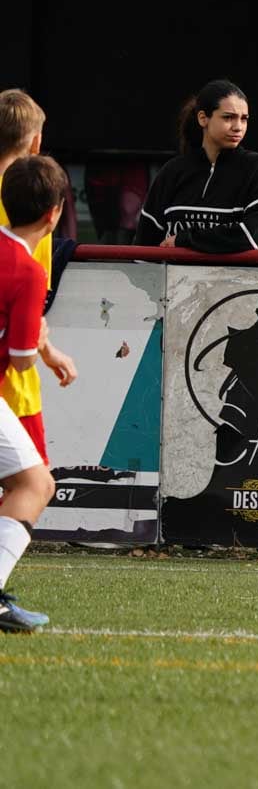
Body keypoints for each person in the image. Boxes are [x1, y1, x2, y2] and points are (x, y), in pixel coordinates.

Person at [0, 155, 70, 632]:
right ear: (55, 213)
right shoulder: (28, 271)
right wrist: (38, 340)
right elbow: (21, 359)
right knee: (35, 484)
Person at [0, 90, 77, 464]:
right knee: (33, 484)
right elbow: (31, 304)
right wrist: (44, 351)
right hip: (14, 381)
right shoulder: (35, 202)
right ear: (36, 141)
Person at [135, 81, 258, 253]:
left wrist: (183, 239)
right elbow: (144, 245)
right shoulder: (172, 171)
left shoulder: (257, 168)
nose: (238, 127)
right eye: (228, 117)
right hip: (172, 279)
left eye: (244, 119)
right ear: (203, 118)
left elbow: (251, 236)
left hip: (237, 280)